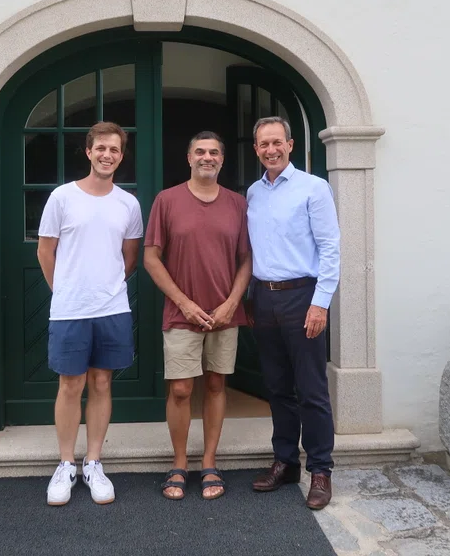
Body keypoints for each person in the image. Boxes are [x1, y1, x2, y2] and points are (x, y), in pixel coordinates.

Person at [37, 121, 143, 507]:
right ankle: (66, 464)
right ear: (88, 151)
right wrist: (65, 289)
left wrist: (106, 287)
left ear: (120, 155)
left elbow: (129, 258)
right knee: (70, 385)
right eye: (101, 148)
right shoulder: (62, 198)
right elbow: (45, 252)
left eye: (114, 149)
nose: (107, 155)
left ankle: (94, 462)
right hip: (70, 311)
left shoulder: (128, 204)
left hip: (112, 308)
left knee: (101, 384)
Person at [144, 131, 252, 501]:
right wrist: (184, 302)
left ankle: (209, 461)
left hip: (225, 314)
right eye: (200, 152)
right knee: (180, 388)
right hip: (181, 312)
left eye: (214, 152)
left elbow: (246, 260)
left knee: (217, 385)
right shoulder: (167, 200)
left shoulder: (238, 203)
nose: (208, 157)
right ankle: (178, 463)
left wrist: (231, 303)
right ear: (189, 158)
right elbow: (151, 257)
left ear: (222, 160)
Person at [246, 116, 341, 510]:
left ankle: (320, 470)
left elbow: (331, 248)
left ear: (290, 144)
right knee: (278, 388)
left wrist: (321, 302)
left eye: (276, 142)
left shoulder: (313, 188)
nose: (271, 150)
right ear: (256, 149)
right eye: (263, 144)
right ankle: (285, 462)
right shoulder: (253, 192)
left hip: (303, 297)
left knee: (312, 390)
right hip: (264, 299)